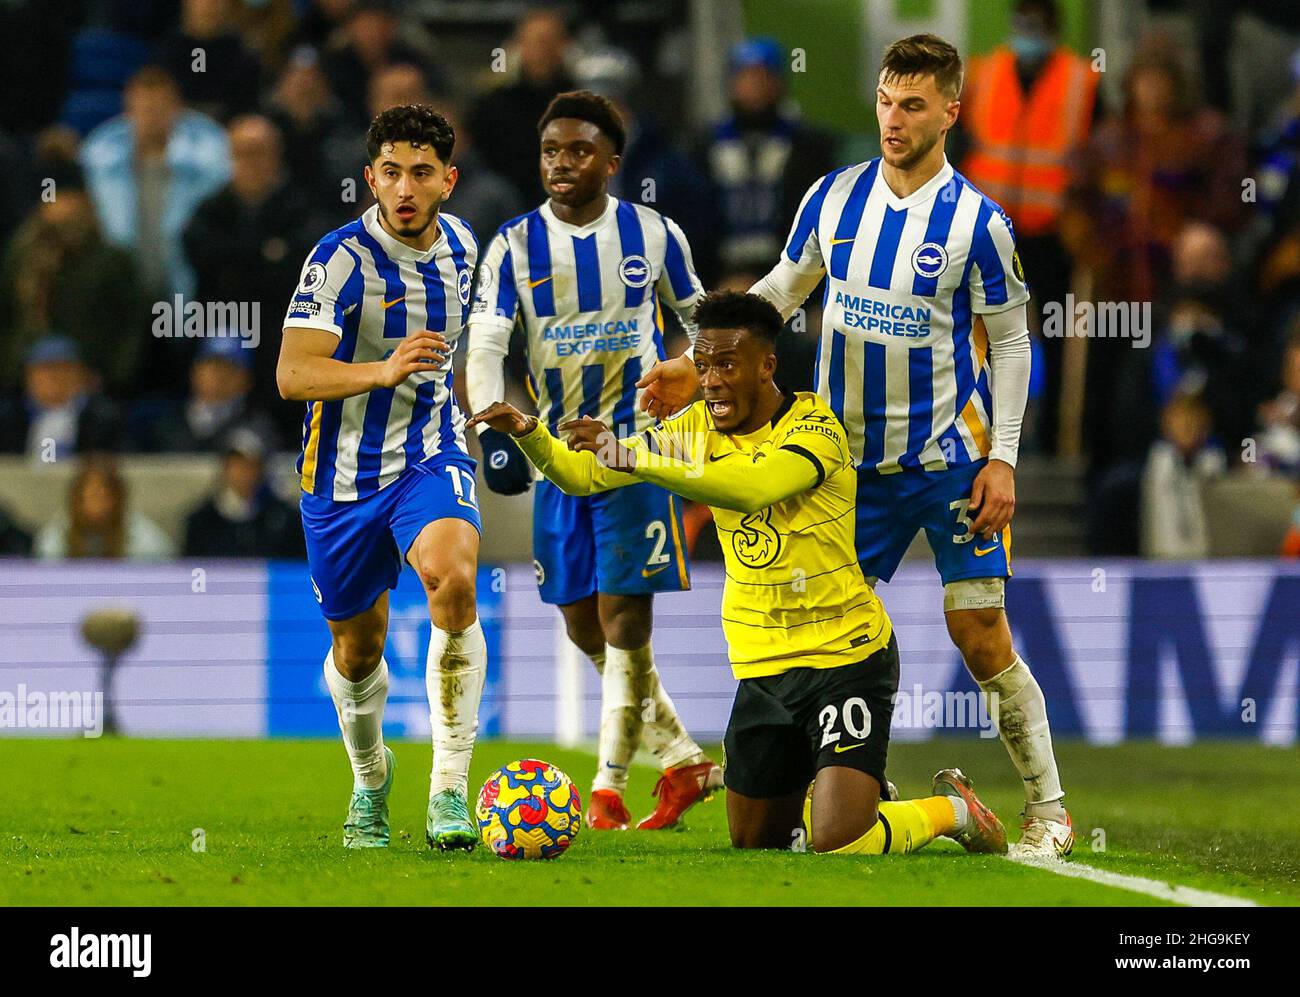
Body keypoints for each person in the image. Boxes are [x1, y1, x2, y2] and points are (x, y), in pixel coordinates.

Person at [639, 35, 1074, 859]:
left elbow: (1012, 344)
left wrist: (1006, 457)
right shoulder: (834, 198)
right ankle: (850, 790)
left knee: (980, 629)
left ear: (951, 110)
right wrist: (696, 366)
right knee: (822, 627)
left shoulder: (980, 223)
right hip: (842, 464)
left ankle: (1048, 809)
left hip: (949, 458)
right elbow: (780, 288)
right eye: (885, 100)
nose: (893, 118)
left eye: (913, 104)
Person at [470, 290, 1009, 856]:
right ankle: (848, 786)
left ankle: (951, 810)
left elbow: (751, 488)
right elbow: (583, 476)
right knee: (755, 841)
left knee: (836, 842)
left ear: (766, 365)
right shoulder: (693, 427)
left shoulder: (815, 427)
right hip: (761, 667)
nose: (711, 381)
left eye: (727, 365)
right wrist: (530, 432)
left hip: (844, 659)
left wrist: (637, 459)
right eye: (702, 366)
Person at [467, 90, 721, 831]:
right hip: (557, 452)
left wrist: (691, 375)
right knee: (580, 619)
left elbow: (701, 324)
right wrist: (493, 431)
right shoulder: (513, 244)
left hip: (639, 450)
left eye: (579, 152)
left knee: (623, 617)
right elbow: (485, 343)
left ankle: (608, 786)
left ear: (611, 163)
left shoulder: (655, 234)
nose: (561, 164)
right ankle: (682, 760)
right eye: (551, 152)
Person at [275, 103, 486, 851]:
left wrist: (494, 407)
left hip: (430, 454)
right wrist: (383, 369)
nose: (404, 186)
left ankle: (449, 792)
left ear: (447, 181)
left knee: (453, 580)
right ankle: (371, 781)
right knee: (357, 652)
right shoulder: (337, 260)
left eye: (421, 172)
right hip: (340, 480)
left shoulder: (464, 248)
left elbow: (476, 344)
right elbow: (293, 374)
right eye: (391, 171)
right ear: (370, 177)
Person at [183, 427, 305, 558]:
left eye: (250, 466)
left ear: (261, 469)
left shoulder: (283, 520)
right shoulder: (202, 521)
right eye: (236, 465)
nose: (243, 473)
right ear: (225, 469)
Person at [0, 337, 122, 458]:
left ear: (80, 374)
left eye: (64, 369)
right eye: (46, 369)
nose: (54, 377)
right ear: (28, 376)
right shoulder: (9, 416)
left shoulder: (103, 417)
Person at [35, 455, 174, 560]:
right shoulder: (54, 539)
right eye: (90, 497)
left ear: (119, 499)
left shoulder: (148, 543)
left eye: (103, 497)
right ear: (75, 501)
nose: (97, 505)